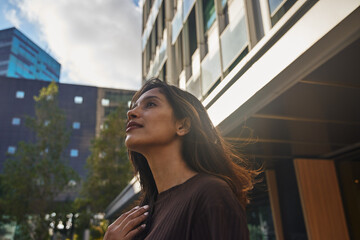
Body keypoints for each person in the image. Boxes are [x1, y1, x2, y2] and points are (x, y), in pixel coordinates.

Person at [104, 78, 258, 240]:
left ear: (182, 126)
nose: (131, 113)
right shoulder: (145, 212)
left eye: (150, 104)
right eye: (134, 107)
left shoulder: (211, 193)